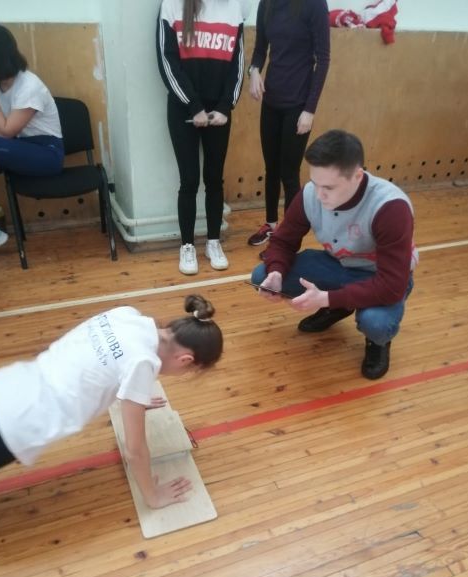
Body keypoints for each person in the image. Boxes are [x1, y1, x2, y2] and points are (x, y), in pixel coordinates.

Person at [0, 294, 223, 509]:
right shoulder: (143, 362)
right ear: (185, 360)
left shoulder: (127, 314)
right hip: (13, 423)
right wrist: (153, 497)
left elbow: (101, 363)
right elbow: (135, 450)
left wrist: (135, 400)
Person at [250, 130, 418, 380]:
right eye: (315, 183)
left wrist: (326, 298)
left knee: (377, 324)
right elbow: (283, 242)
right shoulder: (311, 193)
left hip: (379, 277)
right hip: (338, 264)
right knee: (261, 275)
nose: (319, 195)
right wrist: (276, 271)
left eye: (328, 187)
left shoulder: (390, 207)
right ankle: (339, 306)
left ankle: (377, 342)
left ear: (357, 176)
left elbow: (392, 286)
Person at [157, 0, 244, 275]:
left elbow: (237, 64)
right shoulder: (172, 5)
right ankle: (187, 246)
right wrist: (193, 106)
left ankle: (213, 242)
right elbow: (167, 61)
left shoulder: (234, 8)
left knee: (214, 179)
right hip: (184, 110)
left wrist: (225, 106)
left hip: (218, 111)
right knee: (189, 180)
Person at [0, 21, 63, 259]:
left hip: (47, 153)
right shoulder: (0, 83)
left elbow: (5, 133)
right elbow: (4, 135)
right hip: (23, 148)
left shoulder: (29, 85)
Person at [247, 0, 330, 247]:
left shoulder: (314, 4)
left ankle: (289, 239)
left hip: (298, 105)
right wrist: (254, 70)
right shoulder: (267, 4)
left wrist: (309, 110)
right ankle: (271, 225)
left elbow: (323, 59)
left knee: (289, 174)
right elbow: (260, 48)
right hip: (271, 101)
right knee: (271, 169)